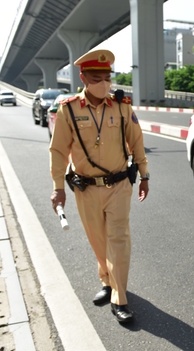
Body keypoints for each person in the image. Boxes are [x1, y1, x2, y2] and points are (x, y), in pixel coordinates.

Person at [49, 49, 149, 325]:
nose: (104, 83)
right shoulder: (68, 109)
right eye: (97, 78)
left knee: (118, 239)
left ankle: (120, 297)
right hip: (86, 188)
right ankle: (107, 280)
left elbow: (136, 141)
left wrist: (144, 174)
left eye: (107, 78)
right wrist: (58, 187)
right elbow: (58, 150)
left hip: (118, 185)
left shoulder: (122, 105)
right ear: (82, 77)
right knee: (98, 240)